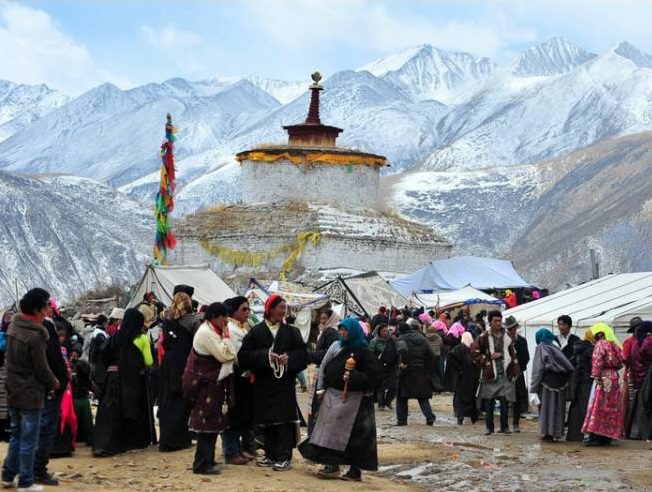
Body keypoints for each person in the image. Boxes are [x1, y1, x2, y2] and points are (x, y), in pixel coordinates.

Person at [299, 317, 379, 481]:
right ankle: (331, 465)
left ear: (354, 331)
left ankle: (354, 470)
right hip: (332, 398)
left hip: (354, 402)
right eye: (341, 329)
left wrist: (354, 378)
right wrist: (321, 389)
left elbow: (375, 377)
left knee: (354, 438)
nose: (342, 333)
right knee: (329, 434)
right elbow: (324, 366)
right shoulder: (337, 347)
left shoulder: (364, 352)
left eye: (346, 330)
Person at [238, 295, 308, 471]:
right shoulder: (255, 332)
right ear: (270, 309)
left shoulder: (292, 332)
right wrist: (265, 356)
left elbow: (303, 355)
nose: (283, 311)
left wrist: (289, 358)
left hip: (284, 384)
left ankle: (284, 456)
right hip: (263, 384)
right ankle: (270, 454)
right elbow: (244, 356)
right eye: (280, 307)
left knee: (283, 421)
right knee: (266, 421)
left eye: (285, 308)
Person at [2, 288, 60, 492]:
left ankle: (8, 475)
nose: (47, 310)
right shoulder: (36, 336)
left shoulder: (13, 328)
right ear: (36, 310)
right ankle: (26, 482)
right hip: (30, 393)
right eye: (45, 306)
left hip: (13, 389)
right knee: (29, 440)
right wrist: (54, 382)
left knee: (17, 435)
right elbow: (42, 368)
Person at [92, 308, 156, 456]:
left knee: (109, 412)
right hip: (131, 381)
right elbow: (149, 361)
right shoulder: (141, 338)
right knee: (128, 412)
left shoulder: (114, 337)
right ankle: (127, 443)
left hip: (112, 379)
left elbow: (103, 356)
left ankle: (103, 445)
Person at [182, 302, 236, 475]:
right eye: (223, 317)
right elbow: (227, 355)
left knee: (213, 422)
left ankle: (208, 460)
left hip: (212, 384)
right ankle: (202, 464)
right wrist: (227, 337)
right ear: (214, 317)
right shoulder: (206, 333)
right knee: (206, 423)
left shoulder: (212, 330)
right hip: (206, 384)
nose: (226, 321)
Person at [158, 292, 201, 452]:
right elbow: (197, 344)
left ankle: (166, 439)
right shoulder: (192, 321)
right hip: (184, 364)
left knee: (167, 401)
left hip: (168, 365)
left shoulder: (166, 320)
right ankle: (178, 439)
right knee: (181, 403)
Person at [33, 302, 70, 484]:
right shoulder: (46, 326)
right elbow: (51, 358)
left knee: (27, 427)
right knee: (45, 427)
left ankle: (15, 468)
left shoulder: (19, 327)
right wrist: (58, 381)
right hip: (50, 386)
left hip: (31, 387)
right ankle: (38, 469)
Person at [471, 310, 521, 436]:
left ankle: (504, 427)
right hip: (490, 372)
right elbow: (474, 353)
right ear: (490, 322)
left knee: (504, 400)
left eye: (499, 320)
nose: (498, 323)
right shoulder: (483, 337)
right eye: (495, 321)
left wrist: (514, 368)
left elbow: (513, 353)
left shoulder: (507, 337)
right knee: (489, 401)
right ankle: (489, 427)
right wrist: (488, 358)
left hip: (504, 373)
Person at [221, 296, 256, 465]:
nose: (247, 312)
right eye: (244, 309)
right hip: (233, 374)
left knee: (241, 413)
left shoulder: (242, 327)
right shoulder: (230, 329)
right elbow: (235, 354)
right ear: (234, 312)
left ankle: (238, 448)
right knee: (232, 414)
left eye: (248, 309)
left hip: (244, 375)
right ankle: (230, 451)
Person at [581, 323, 625, 446]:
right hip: (615, 377)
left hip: (604, 377)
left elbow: (597, 361)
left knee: (600, 406)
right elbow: (622, 360)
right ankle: (608, 435)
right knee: (613, 407)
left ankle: (596, 434)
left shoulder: (600, 344)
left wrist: (597, 376)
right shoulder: (614, 345)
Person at [529, 328, 575, 441]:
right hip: (561, 383)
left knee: (546, 408)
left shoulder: (541, 348)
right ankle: (557, 432)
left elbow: (538, 369)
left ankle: (547, 432)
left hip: (546, 384)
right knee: (558, 408)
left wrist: (533, 388)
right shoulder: (556, 348)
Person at [395, 321, 437, 426]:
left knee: (401, 397)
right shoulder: (422, 338)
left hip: (407, 371)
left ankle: (402, 420)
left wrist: (404, 362)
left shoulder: (402, 338)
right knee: (422, 397)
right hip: (420, 370)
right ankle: (430, 417)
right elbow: (431, 355)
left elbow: (403, 349)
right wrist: (427, 367)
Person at [307, 309, 340, 433]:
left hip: (325, 371)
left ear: (330, 319)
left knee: (319, 404)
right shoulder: (326, 331)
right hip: (322, 369)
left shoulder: (330, 332)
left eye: (325, 318)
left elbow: (328, 353)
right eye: (321, 318)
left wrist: (312, 356)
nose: (322, 321)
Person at [625, 321, 652, 440]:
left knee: (638, 407)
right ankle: (644, 433)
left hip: (637, 378)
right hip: (647, 378)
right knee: (646, 407)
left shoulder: (636, 343)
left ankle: (635, 433)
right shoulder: (648, 342)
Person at [566, 329, 595, 442]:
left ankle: (574, 435)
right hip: (587, 382)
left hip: (578, 382)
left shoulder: (578, 348)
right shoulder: (590, 350)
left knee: (576, 408)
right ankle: (585, 435)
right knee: (586, 408)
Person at [447, 332, 480, 424]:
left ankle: (467, 415)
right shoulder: (461, 349)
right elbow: (451, 358)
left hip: (466, 378)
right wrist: (460, 369)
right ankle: (463, 415)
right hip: (466, 378)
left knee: (466, 396)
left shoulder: (468, 349)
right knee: (466, 396)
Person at [505, 316, 530, 433]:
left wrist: (518, 366)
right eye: (509, 329)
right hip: (506, 374)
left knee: (518, 399)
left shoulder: (522, 341)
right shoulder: (504, 342)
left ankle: (516, 423)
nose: (511, 331)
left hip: (518, 373)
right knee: (504, 398)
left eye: (513, 329)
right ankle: (504, 424)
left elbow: (526, 357)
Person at [369, 323, 398, 410]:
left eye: (386, 331)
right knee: (381, 386)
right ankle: (381, 403)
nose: (385, 333)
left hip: (391, 365)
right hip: (380, 366)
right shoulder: (374, 341)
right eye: (383, 331)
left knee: (393, 386)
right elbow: (370, 354)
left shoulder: (392, 340)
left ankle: (388, 401)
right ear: (379, 332)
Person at [69, 345, 94, 446]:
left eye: (76, 355)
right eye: (72, 355)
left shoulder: (73, 368)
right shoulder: (84, 366)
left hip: (76, 399)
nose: (73, 357)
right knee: (86, 421)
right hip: (81, 398)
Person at [0, 311, 13, 442]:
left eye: (11, 318)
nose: (9, 320)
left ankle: (8, 431)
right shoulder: (2, 334)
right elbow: (2, 347)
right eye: (7, 318)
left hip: (12, 372)